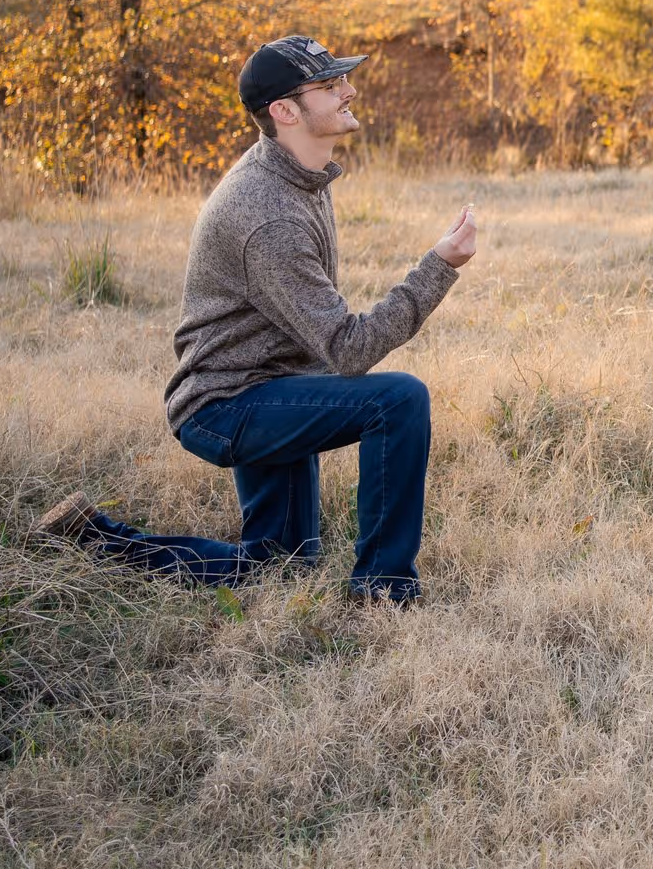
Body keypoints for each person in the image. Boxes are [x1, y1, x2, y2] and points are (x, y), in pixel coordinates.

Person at [36, 35, 477, 603]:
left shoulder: (298, 173)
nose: (350, 90)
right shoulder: (267, 216)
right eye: (330, 85)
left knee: (278, 569)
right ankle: (384, 593)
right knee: (398, 400)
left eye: (342, 79)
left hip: (270, 383)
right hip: (228, 403)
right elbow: (348, 349)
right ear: (285, 111)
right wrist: (438, 267)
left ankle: (92, 537)